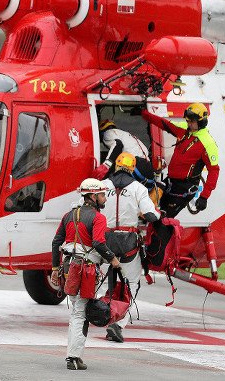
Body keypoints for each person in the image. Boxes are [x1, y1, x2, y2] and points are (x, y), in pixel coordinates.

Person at [50, 178, 121, 371]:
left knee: (76, 310)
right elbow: (98, 243)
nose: (104, 198)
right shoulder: (98, 218)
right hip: (85, 270)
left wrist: (55, 269)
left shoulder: (68, 215)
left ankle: (74, 355)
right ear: (93, 196)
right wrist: (113, 259)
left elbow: (56, 242)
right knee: (80, 313)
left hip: (68, 268)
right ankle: (73, 357)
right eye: (102, 195)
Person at [101, 152, 161, 343]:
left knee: (100, 280)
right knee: (132, 282)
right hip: (128, 242)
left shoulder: (103, 185)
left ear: (116, 165)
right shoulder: (138, 188)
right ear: (133, 168)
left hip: (105, 241)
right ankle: (118, 324)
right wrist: (158, 213)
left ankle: (93, 315)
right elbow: (151, 215)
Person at [141, 103, 220, 217]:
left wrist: (204, 197)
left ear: (201, 121)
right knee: (151, 213)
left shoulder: (208, 143)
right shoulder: (184, 129)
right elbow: (164, 124)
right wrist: (144, 114)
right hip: (171, 182)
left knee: (164, 220)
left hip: (185, 188)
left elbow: (214, 171)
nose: (189, 123)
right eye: (187, 121)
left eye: (192, 121)